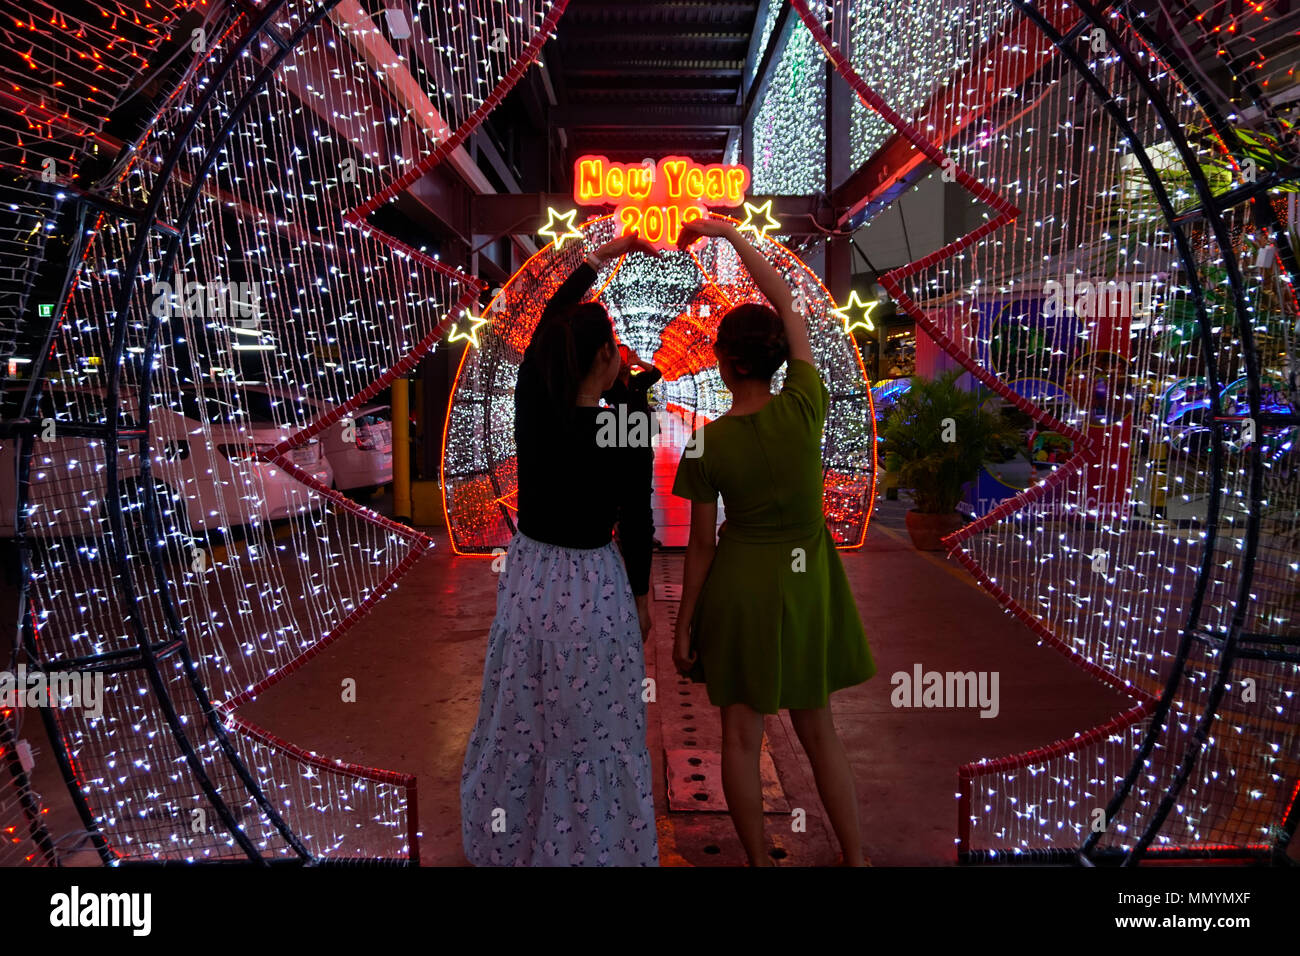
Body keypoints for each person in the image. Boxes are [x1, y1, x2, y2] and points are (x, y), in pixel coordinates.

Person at [670, 217, 876, 867]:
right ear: (777, 360)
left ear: (726, 364)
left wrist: (684, 624)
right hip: (808, 583)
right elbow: (789, 300)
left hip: (740, 589)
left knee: (738, 735)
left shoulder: (707, 442)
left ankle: (759, 861)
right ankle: (855, 858)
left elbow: (700, 547)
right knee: (820, 731)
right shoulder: (805, 404)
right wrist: (727, 235)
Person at [460, 231, 661, 866]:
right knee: (593, 719)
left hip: (532, 576)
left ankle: (514, 840)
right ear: (605, 355)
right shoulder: (624, 423)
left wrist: (607, 253)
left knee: (524, 711)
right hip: (595, 587)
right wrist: (640, 594)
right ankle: (594, 844)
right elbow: (636, 520)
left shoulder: (536, 408)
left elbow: (547, 321)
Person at [603, 345, 664, 551]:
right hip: (616, 442)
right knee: (618, 488)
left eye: (625, 356)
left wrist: (638, 362)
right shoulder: (608, 385)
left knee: (643, 489)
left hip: (640, 443)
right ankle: (617, 531)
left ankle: (646, 533)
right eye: (618, 357)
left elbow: (656, 373)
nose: (622, 361)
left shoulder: (639, 381)